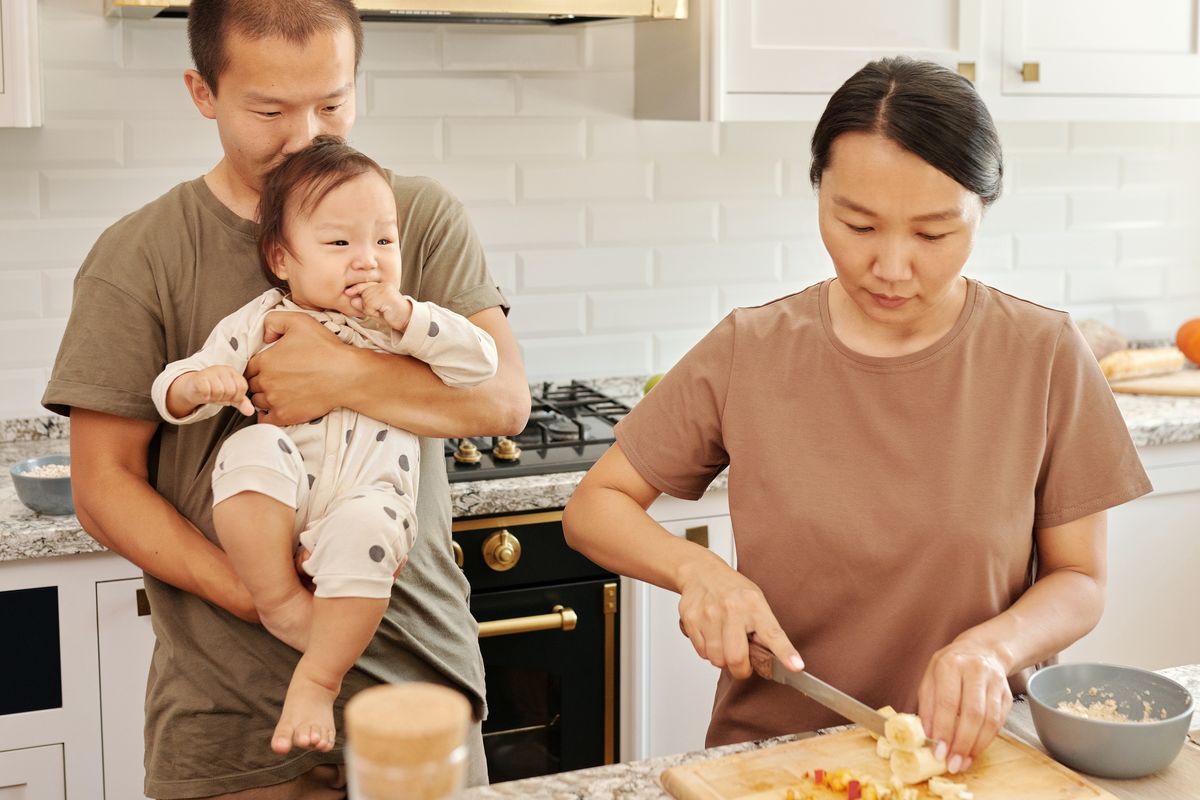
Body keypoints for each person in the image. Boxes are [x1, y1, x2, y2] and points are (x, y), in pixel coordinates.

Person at [563, 56, 1151, 777]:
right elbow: (595, 506)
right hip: (774, 766)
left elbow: (1081, 580)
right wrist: (697, 570)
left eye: (933, 234)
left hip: (975, 762)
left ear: (981, 210)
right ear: (819, 196)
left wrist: (989, 648)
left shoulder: (1044, 353)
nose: (893, 266)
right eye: (858, 224)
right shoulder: (752, 347)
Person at [42, 0, 529, 796]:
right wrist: (272, 600)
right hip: (227, 718)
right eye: (269, 109)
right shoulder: (140, 254)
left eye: (333, 103)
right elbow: (102, 487)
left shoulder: (411, 219)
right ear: (203, 92)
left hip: (420, 685)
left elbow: (503, 403)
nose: (306, 136)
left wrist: (341, 375)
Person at [151, 135, 500, 756]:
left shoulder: (402, 329)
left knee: (373, 529)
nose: (367, 261)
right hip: (290, 496)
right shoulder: (261, 319)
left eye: (384, 241)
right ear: (283, 259)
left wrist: (411, 317)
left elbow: (480, 365)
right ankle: (279, 597)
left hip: (369, 497)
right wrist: (194, 386)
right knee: (250, 451)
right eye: (340, 244)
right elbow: (183, 382)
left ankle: (316, 678)